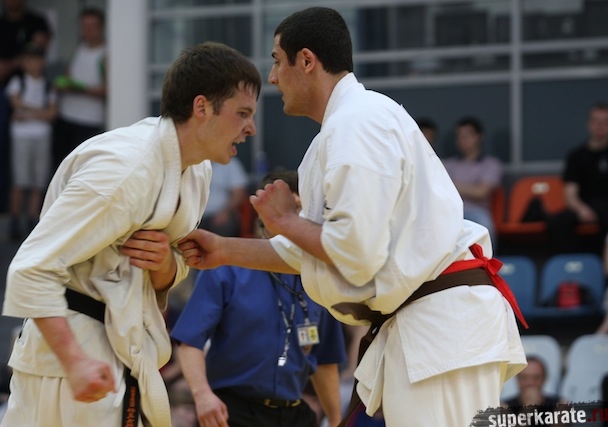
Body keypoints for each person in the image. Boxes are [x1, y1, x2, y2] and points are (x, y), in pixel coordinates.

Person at [179, 7, 526, 427]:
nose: (272, 77)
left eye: (277, 61)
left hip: (440, 323)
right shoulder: (339, 131)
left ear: (306, 61)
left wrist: (287, 221)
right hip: (425, 324)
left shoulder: (358, 123)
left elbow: (354, 252)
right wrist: (224, 250)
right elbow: (318, 250)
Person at [1, 41, 261, 427]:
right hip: (70, 360)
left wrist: (165, 264)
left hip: (123, 350)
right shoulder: (124, 170)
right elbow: (30, 269)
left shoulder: (197, 170)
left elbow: (168, 269)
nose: (250, 128)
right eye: (242, 113)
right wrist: (74, 360)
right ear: (202, 107)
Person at [172, 170, 346, 427]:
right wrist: (202, 395)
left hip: (292, 412)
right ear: (261, 216)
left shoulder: (318, 275)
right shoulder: (226, 266)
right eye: (289, 208)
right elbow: (189, 340)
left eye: (301, 210)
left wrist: (336, 420)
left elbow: (324, 361)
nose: (295, 218)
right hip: (234, 410)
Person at [0, 0, 51, 213]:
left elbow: (40, 46)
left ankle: (34, 213)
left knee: (37, 169)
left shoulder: (36, 22)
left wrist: (11, 65)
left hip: (32, 107)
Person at [5, 42, 58, 239]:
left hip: (41, 135)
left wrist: (27, 113)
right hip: (21, 135)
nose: (32, 64)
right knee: (20, 179)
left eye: (35, 59)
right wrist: (40, 113)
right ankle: (14, 220)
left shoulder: (47, 85)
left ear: (42, 62)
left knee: (38, 179)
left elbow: (52, 113)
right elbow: (14, 102)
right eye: (28, 60)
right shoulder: (18, 81)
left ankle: (32, 218)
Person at [546, 102, 608, 253]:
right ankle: (573, 261)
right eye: (596, 121)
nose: (600, 126)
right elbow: (570, 193)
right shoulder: (576, 156)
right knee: (557, 222)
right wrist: (582, 210)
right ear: (589, 124)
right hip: (585, 205)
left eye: (605, 122)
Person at [52, 6, 107, 170]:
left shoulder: (106, 53)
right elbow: (68, 76)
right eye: (84, 26)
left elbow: (107, 90)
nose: (87, 31)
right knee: (62, 167)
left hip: (90, 119)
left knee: (84, 168)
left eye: (92, 26)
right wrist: (62, 85)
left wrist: (80, 89)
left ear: (101, 27)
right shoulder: (78, 48)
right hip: (66, 115)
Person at [443, 116, 503, 247]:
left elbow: (482, 192)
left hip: (477, 211)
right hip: (450, 211)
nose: (463, 140)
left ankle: (488, 259)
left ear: (479, 137)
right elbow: (440, 190)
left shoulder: (491, 164)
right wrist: (469, 188)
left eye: (467, 135)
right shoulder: (448, 165)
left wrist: (454, 186)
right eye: (459, 136)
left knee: (485, 225)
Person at [199, 157, 249, 236]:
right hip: (194, 215)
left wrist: (226, 212)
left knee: (225, 226)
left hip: (223, 213)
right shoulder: (192, 164)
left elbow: (238, 193)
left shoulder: (230, 163)